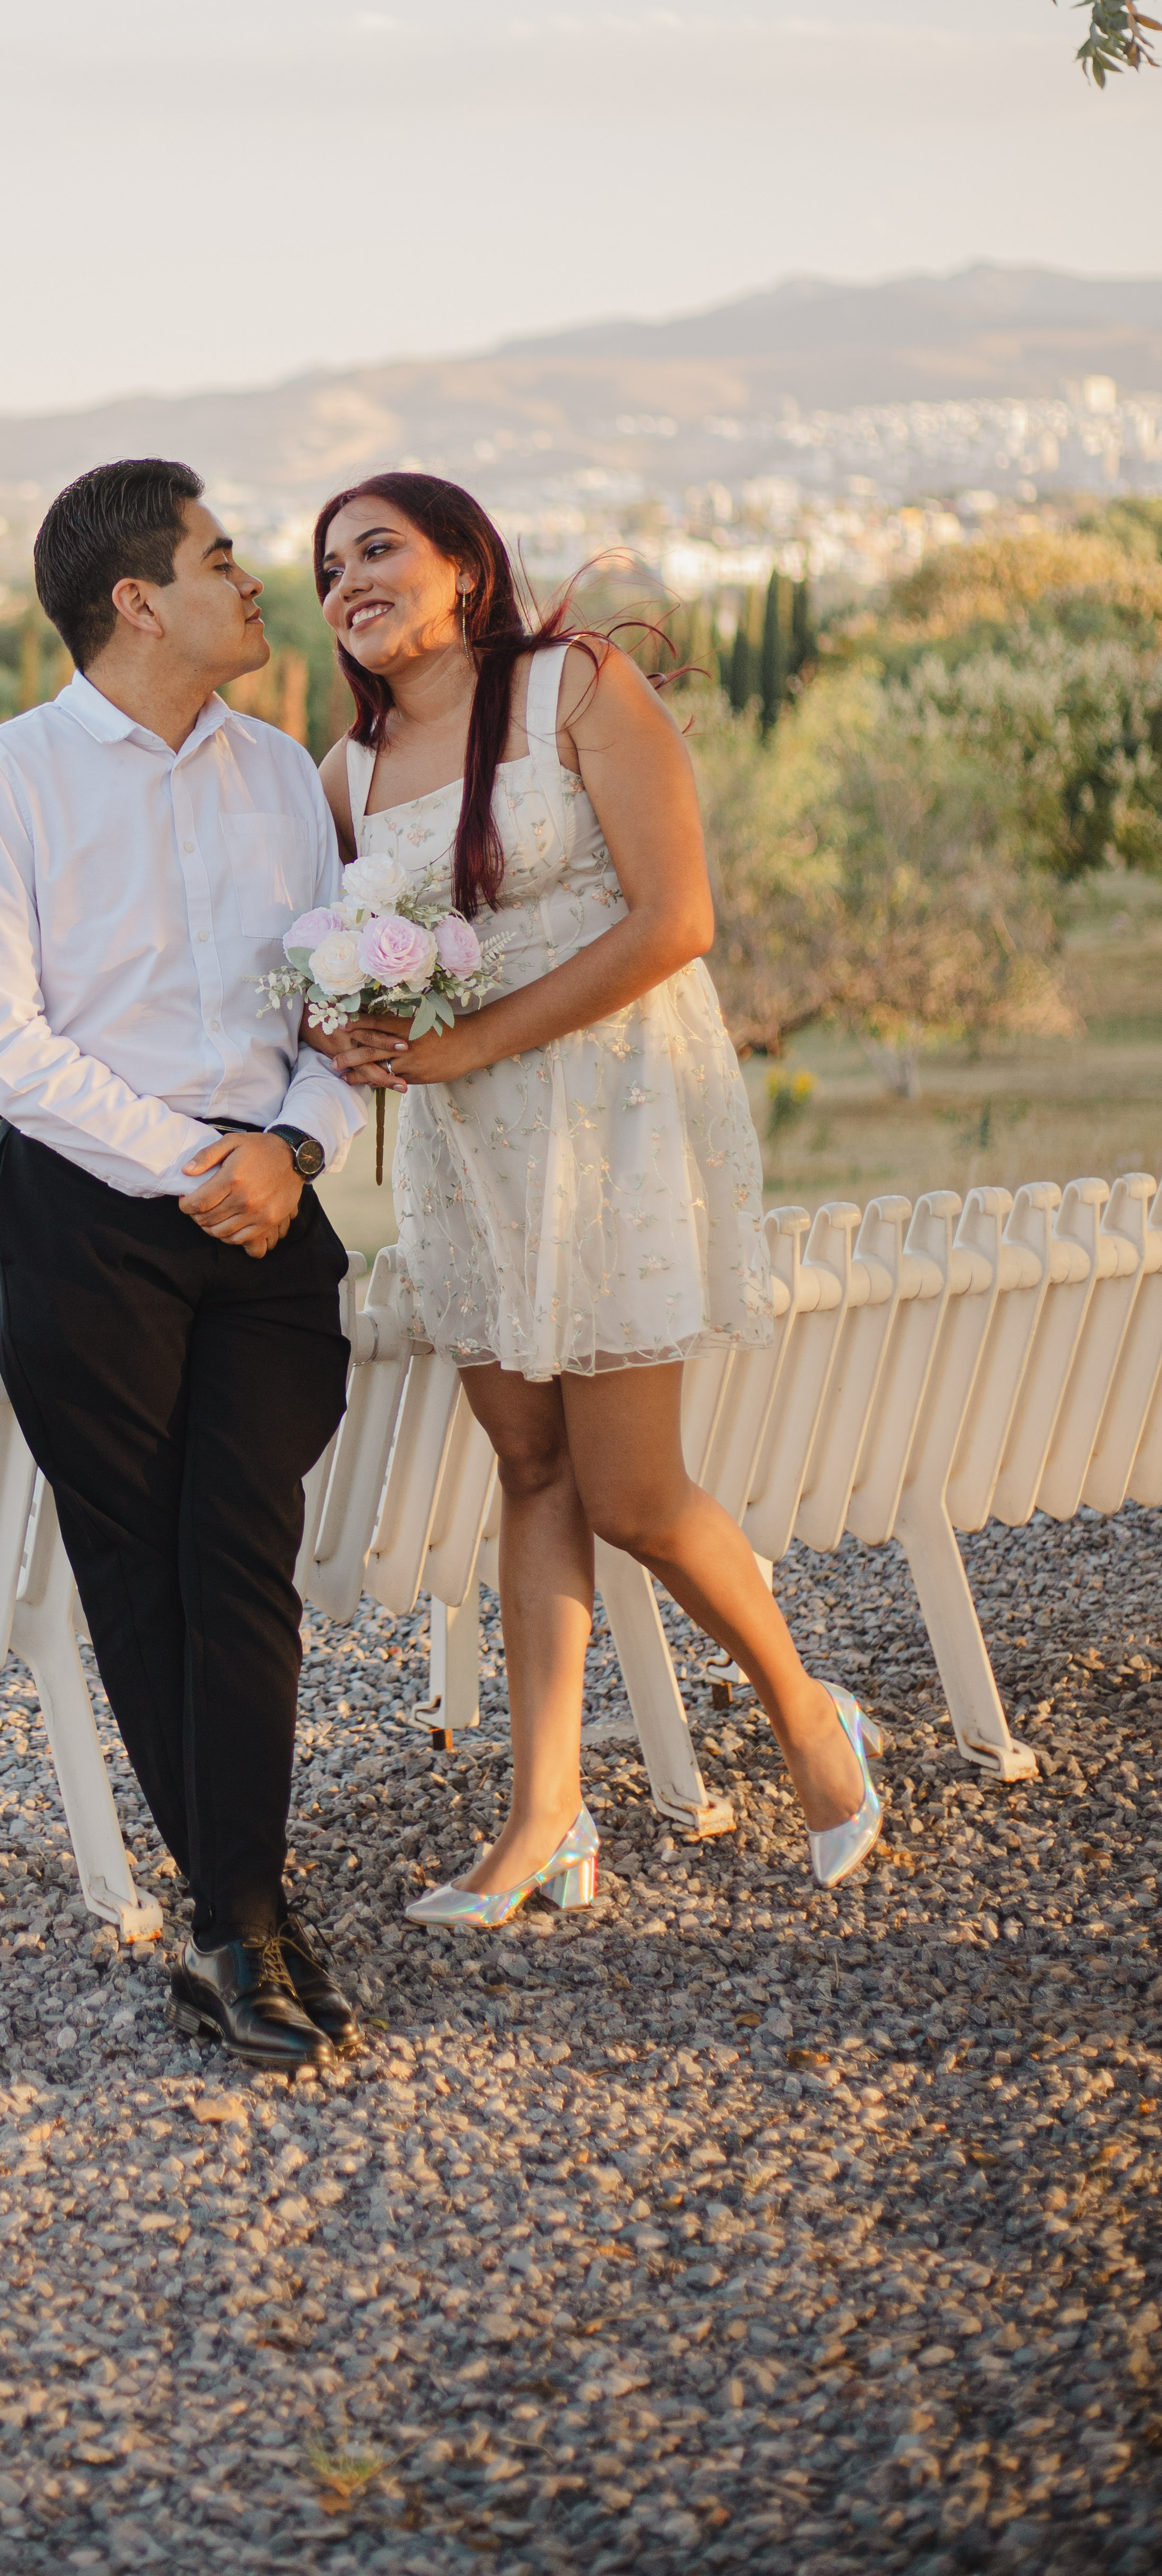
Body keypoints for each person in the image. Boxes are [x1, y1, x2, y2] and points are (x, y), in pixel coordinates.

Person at [308, 474, 884, 1921]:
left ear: (463, 564)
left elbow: (676, 917)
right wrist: (352, 1034)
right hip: (471, 1154)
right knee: (533, 1472)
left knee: (631, 1489)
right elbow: (337, 957)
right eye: (326, 569)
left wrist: (466, 1041)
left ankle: (814, 1719)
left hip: (617, 1119)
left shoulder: (576, 687)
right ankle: (544, 1818)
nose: (348, 580)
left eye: (378, 547)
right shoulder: (344, 777)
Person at [0, 459, 367, 2068]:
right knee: (138, 1570)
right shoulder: (3, 781)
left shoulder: (276, 780)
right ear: (136, 600)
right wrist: (195, 1161)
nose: (255, 583)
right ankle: (241, 1921)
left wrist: (290, 1153)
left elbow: (343, 1020)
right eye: (223, 556)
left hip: (269, 1220)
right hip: (89, 1220)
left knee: (239, 1547)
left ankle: (233, 1908)